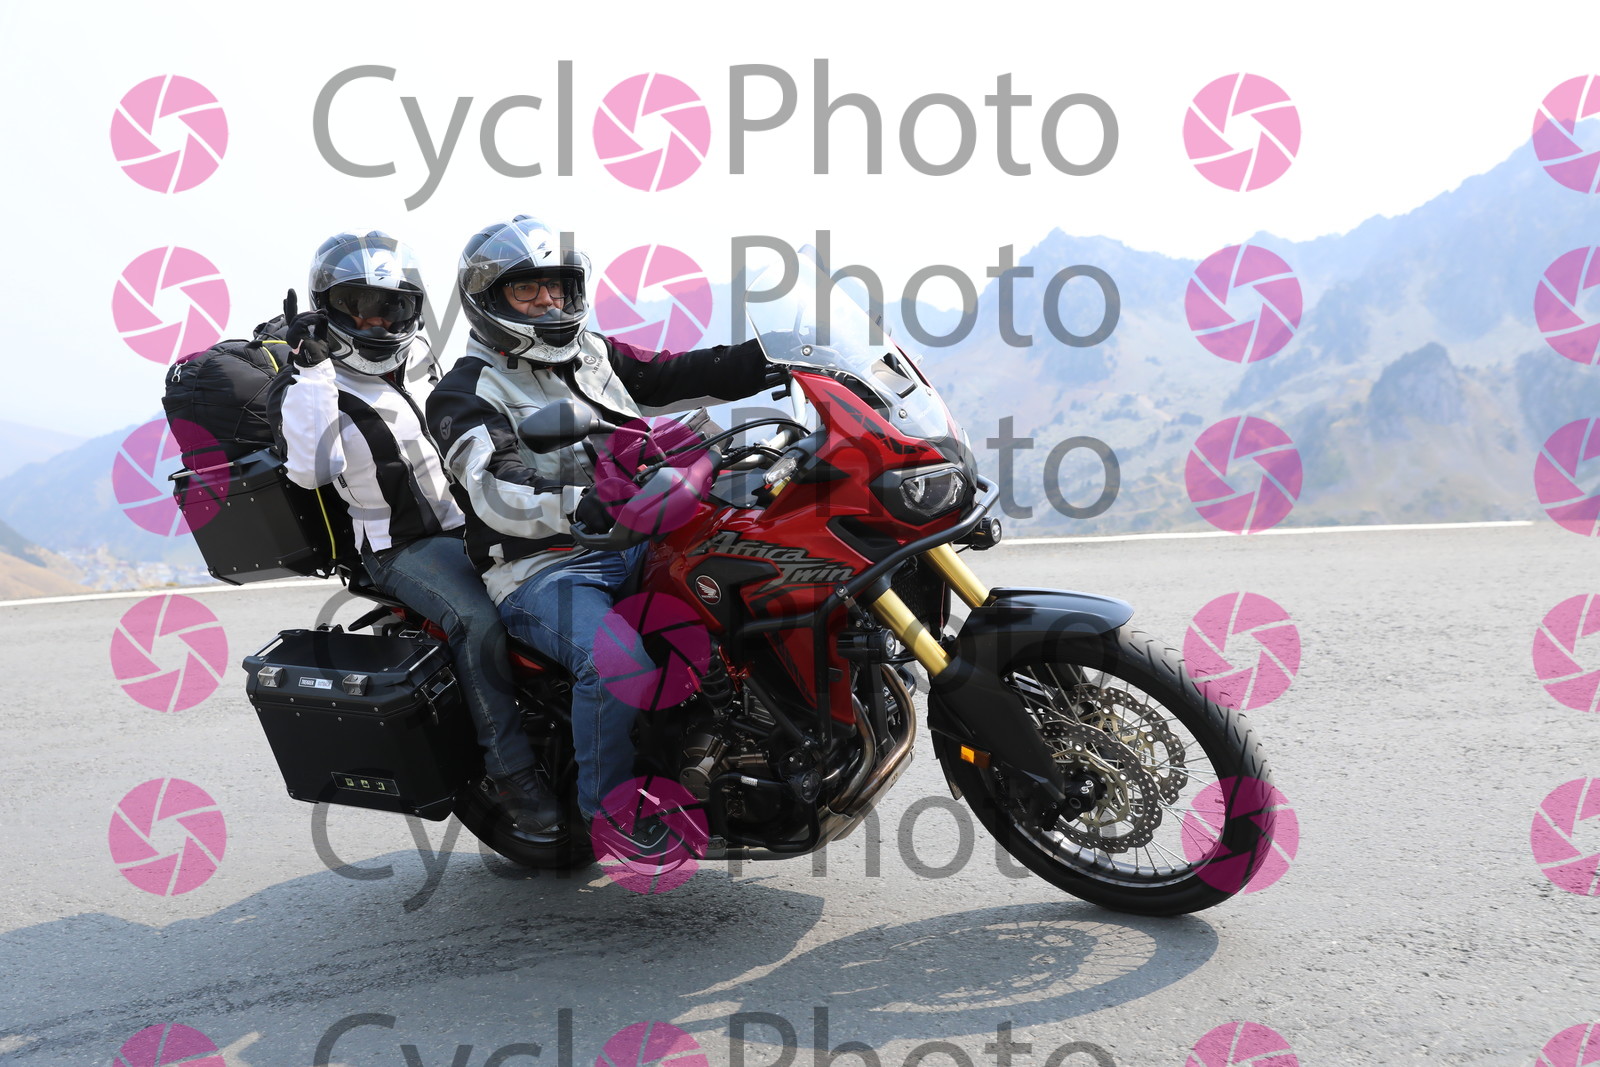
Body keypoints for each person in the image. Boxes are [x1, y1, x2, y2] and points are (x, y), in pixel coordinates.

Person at [425, 215, 772, 846]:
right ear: (487, 300)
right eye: (527, 289)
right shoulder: (464, 392)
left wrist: (773, 359)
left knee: (752, 568)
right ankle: (610, 814)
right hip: (546, 566)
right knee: (614, 662)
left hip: (636, 535)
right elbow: (493, 485)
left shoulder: (591, 353)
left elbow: (673, 373)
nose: (548, 301)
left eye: (557, 286)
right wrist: (579, 506)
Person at [268, 230, 561, 839]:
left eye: (393, 306)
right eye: (359, 306)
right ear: (327, 309)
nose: (378, 320)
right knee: (477, 621)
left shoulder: (422, 363)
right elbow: (311, 468)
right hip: (401, 547)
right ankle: (512, 774)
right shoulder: (310, 388)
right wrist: (313, 370)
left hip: (472, 524)